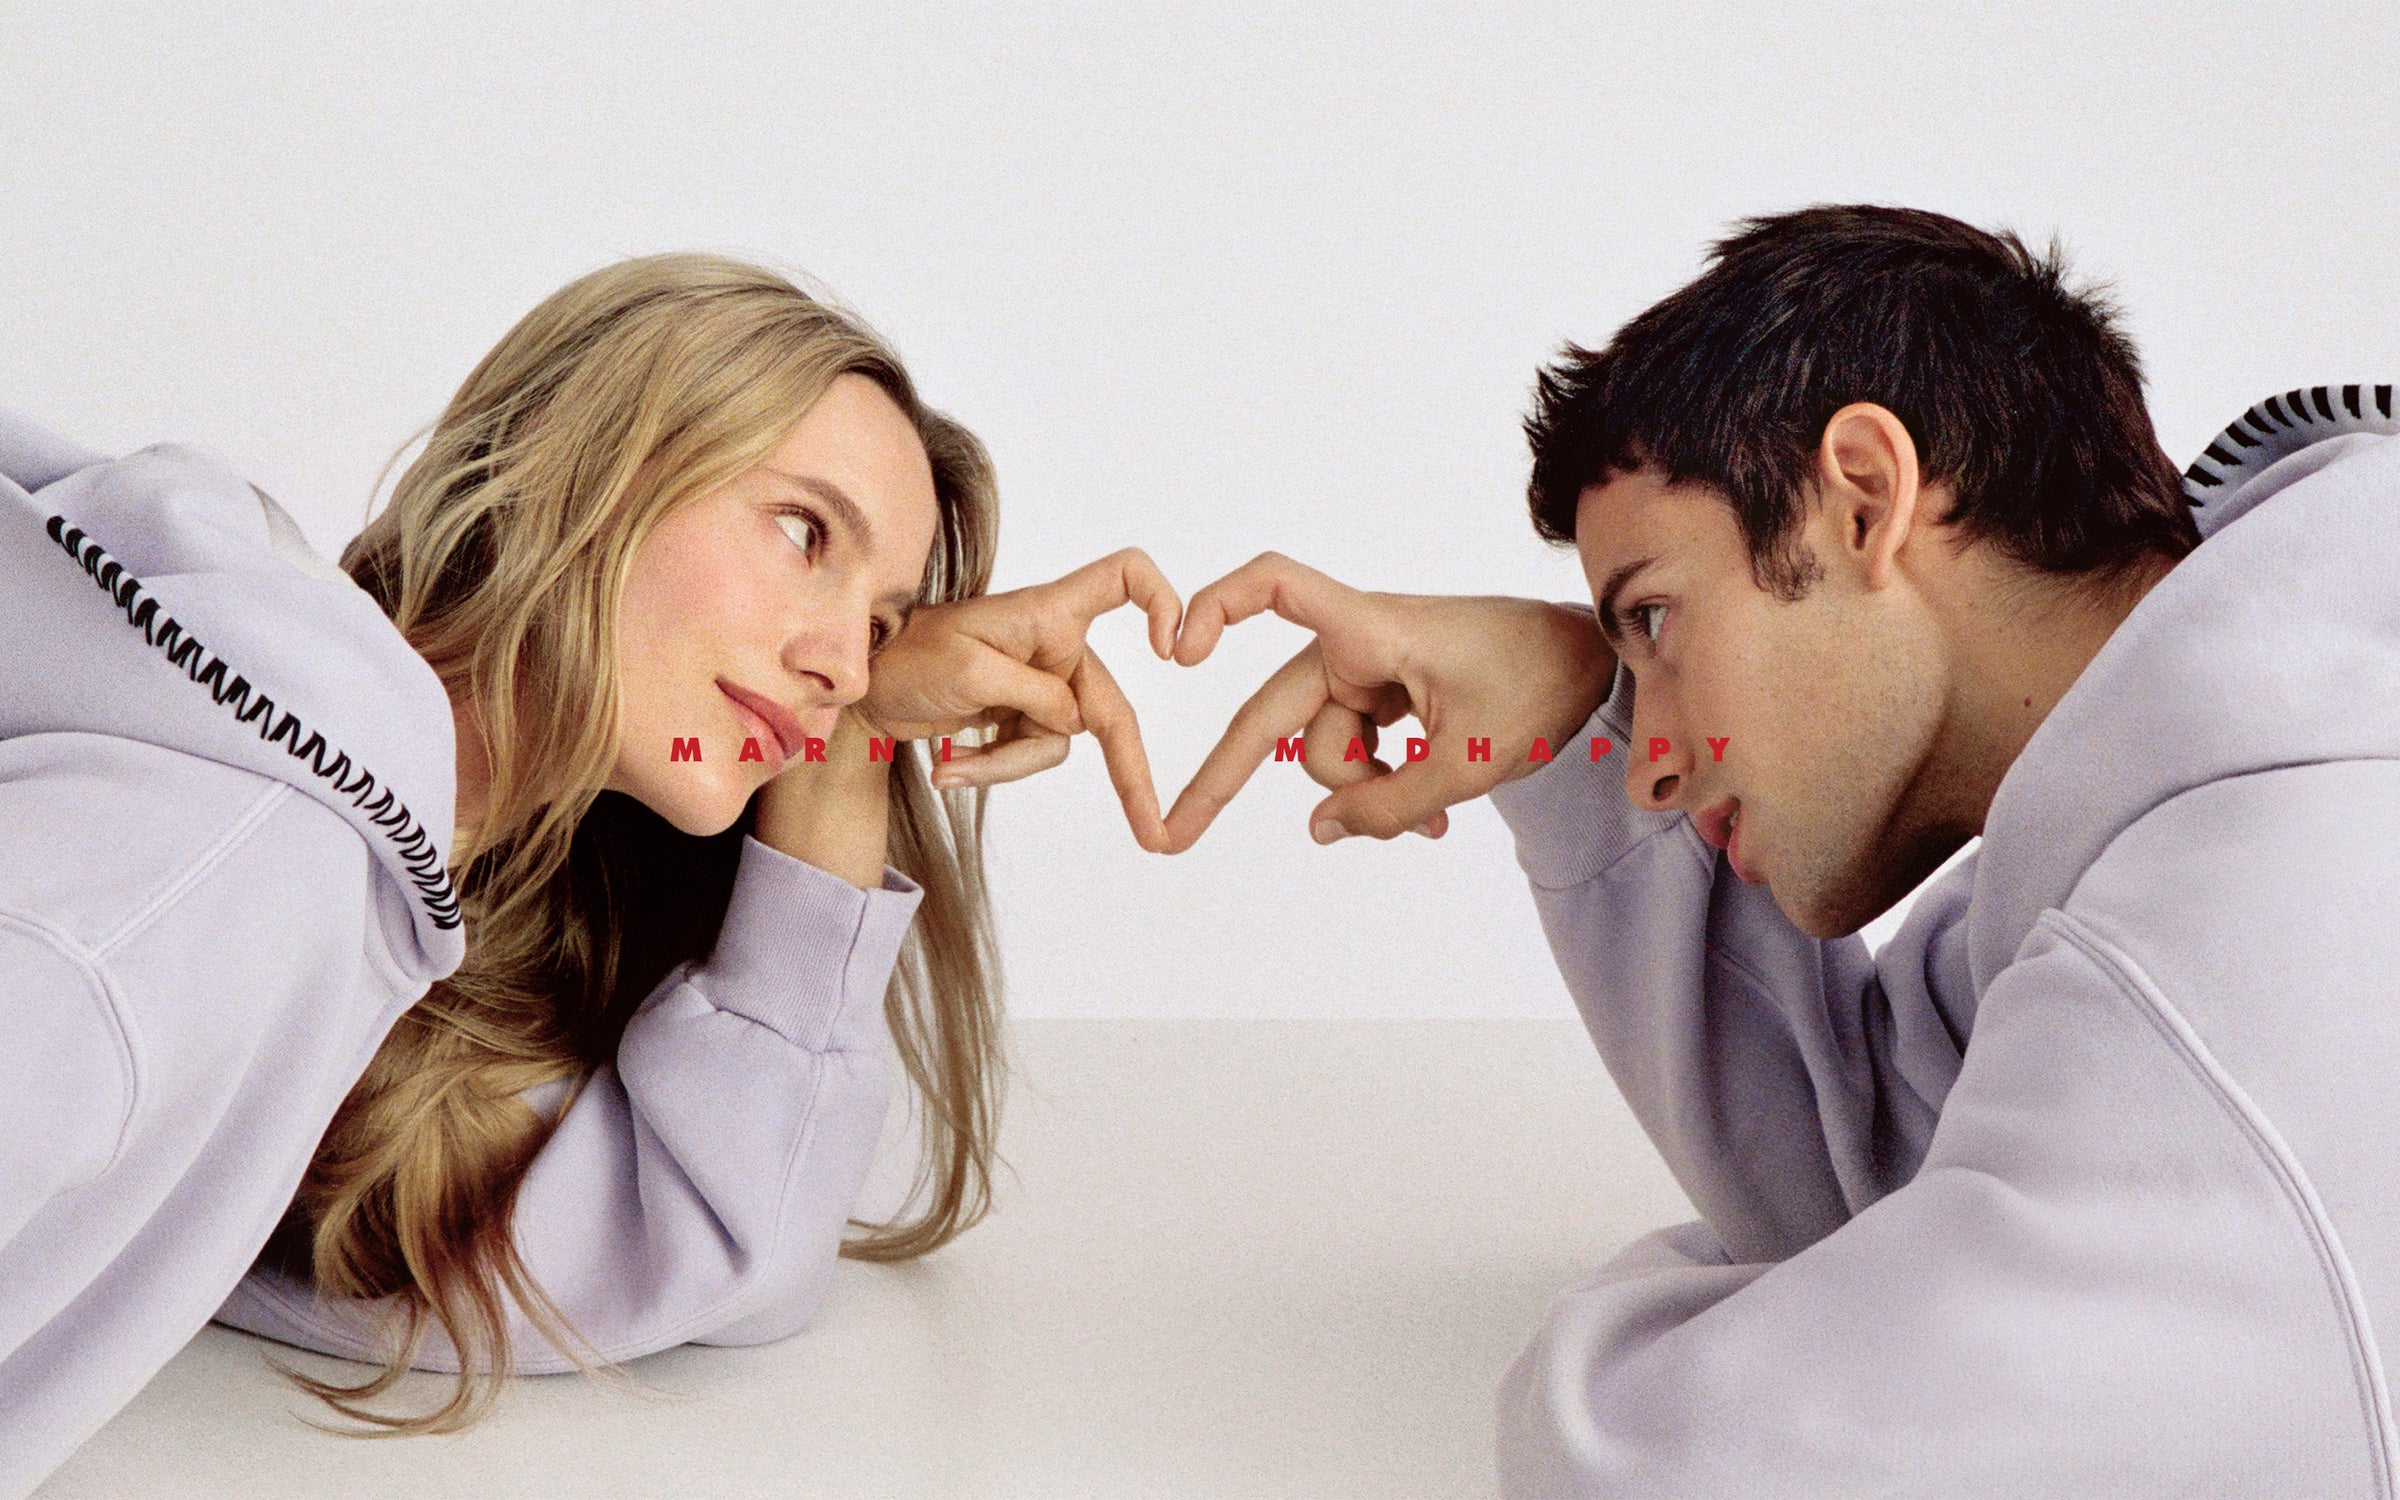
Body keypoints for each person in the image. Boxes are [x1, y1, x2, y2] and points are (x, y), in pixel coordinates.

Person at [1160, 206, 2400, 1495]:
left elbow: (1668, 1461)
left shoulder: (2261, 923)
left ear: (1863, 497)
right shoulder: (2197, 814)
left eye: (1654, 617)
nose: (1649, 761)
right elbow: (1865, 1178)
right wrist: (1577, 708)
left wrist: (1623, 1327)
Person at [0, 252, 1180, 1494]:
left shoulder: (361, 855)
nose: (844, 664)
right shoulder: (226, 867)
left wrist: (850, 751)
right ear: (580, 462)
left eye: (881, 626)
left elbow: (722, 1247)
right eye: (803, 531)